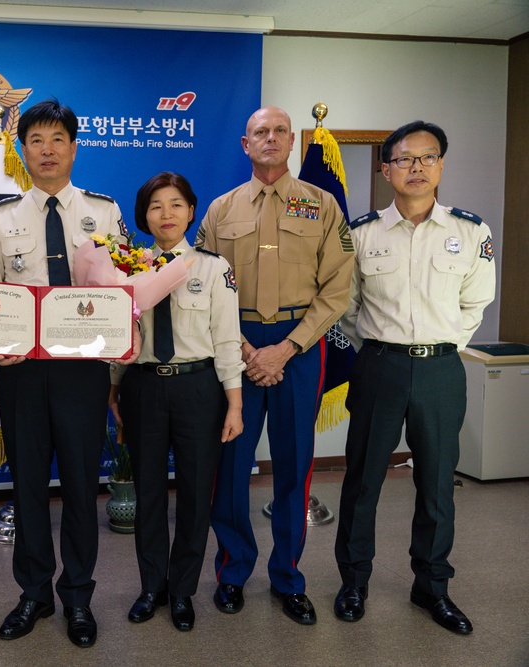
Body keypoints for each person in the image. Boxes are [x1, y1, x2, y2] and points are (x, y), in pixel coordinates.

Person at [0, 98, 137, 649]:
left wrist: (116, 369)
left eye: (57, 140)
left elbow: (123, 294)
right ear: (23, 150)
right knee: (25, 488)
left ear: (74, 146)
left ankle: (78, 597)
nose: (47, 150)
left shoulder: (104, 211)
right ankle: (33, 594)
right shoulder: (1, 218)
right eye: (36, 141)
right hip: (22, 374)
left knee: (77, 487)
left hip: (83, 373)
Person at [333, 121, 495, 634]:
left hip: (443, 370)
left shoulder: (471, 232)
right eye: (404, 159)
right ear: (387, 169)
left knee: (436, 487)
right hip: (379, 365)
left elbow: (476, 304)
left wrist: (439, 345)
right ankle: (354, 582)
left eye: (428, 158)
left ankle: (432, 588)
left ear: (441, 165)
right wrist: (383, 349)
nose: (417, 167)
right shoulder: (360, 233)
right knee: (362, 482)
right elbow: (348, 309)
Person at [196, 106, 354, 624]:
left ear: (292, 142)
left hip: (299, 346)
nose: (270, 139)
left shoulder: (323, 205)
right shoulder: (220, 210)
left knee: (294, 468)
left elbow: (337, 287)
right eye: (260, 132)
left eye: (279, 132)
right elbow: (202, 284)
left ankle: (288, 576)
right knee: (232, 469)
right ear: (246, 144)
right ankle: (233, 571)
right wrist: (245, 349)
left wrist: (286, 348)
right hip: (234, 343)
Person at [108, 172, 245, 632]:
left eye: (175, 205)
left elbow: (227, 340)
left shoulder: (213, 268)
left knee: (193, 495)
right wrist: (113, 389)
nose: (166, 215)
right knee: (147, 492)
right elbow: (119, 338)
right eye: (155, 206)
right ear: (143, 216)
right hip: (144, 387)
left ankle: (183, 590)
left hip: (198, 388)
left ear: (191, 211)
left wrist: (234, 404)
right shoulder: (128, 266)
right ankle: (152, 587)